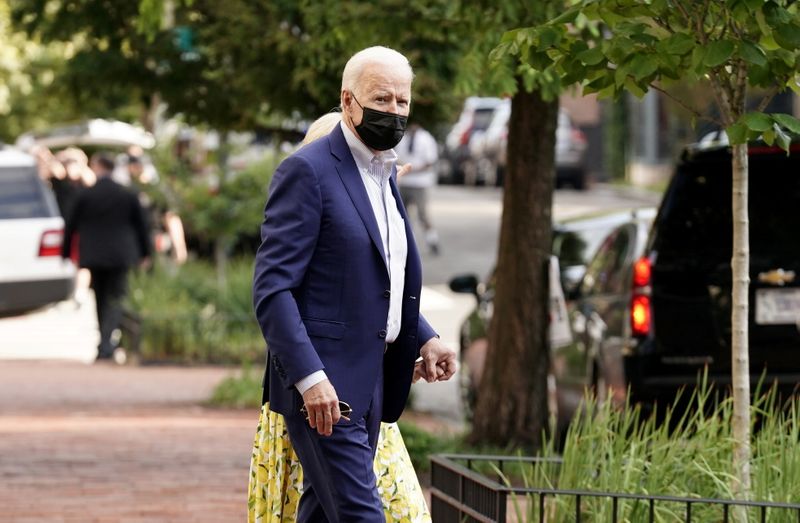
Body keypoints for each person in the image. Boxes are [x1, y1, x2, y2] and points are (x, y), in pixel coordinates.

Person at [252, 46, 457, 523]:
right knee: (363, 516)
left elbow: (375, 279)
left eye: (403, 102)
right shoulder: (308, 171)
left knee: (324, 515)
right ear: (348, 102)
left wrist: (422, 336)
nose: (394, 112)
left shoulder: (384, 173)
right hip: (326, 394)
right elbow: (272, 289)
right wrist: (310, 379)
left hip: (373, 386)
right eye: (381, 99)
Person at [62, 153, 151, 361]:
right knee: (116, 296)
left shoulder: (86, 194)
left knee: (101, 297)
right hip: (121, 253)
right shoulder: (126, 194)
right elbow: (142, 226)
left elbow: (70, 225)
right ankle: (106, 341)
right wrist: (145, 253)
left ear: (97, 167)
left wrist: (65, 253)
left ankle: (104, 342)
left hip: (94, 253)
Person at [395, 123, 441, 255]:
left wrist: (413, 169)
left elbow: (430, 161)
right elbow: (396, 157)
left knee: (423, 214)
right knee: (402, 215)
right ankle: (407, 244)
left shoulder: (426, 139)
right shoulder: (403, 137)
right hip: (405, 181)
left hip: (421, 182)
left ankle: (432, 241)